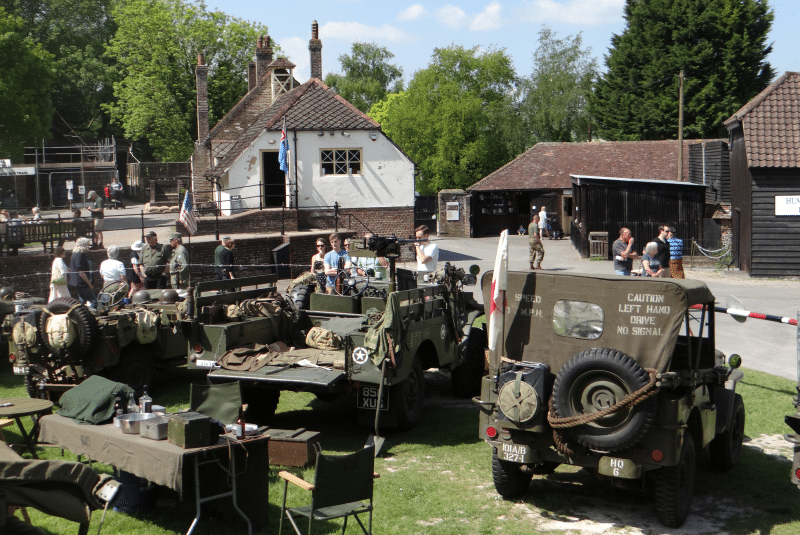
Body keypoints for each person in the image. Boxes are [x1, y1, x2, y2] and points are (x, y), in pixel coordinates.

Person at [68, 237, 96, 306]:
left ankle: (83, 314)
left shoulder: (75, 254)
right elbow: (81, 272)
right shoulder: (79, 256)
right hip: (82, 283)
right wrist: (89, 284)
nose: (88, 246)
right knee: (94, 302)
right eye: (87, 245)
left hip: (78, 283)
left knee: (82, 301)